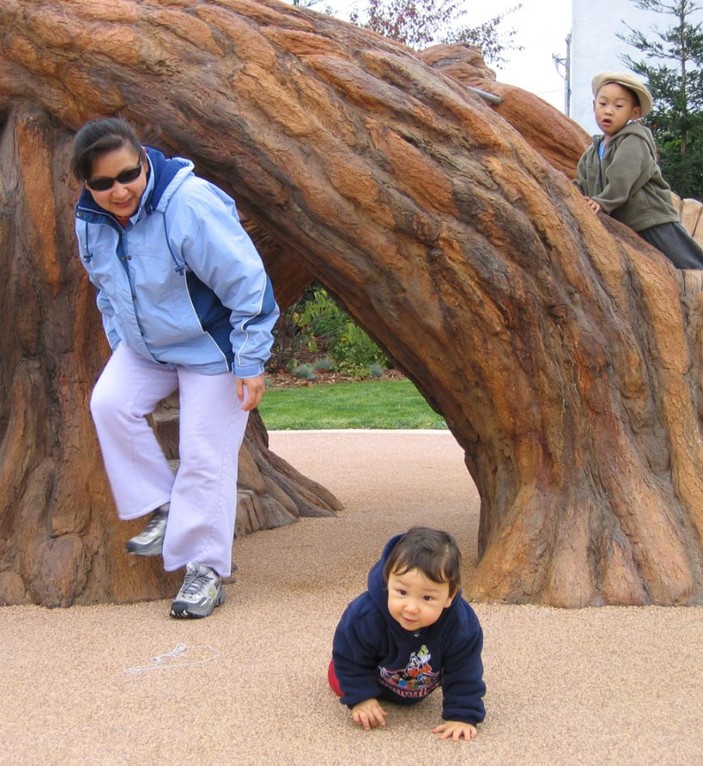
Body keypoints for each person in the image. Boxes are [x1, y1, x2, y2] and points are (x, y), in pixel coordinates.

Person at [71, 117, 279, 619]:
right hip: (149, 348)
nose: (119, 190)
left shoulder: (188, 204)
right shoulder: (90, 221)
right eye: (103, 183)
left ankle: (204, 571)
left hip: (212, 349)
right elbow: (107, 290)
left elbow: (249, 284)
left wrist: (250, 363)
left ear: (143, 160)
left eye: (128, 174)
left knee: (204, 454)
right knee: (109, 404)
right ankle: (164, 508)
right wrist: (125, 345)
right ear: (87, 184)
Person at [329, 527, 486, 740]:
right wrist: (361, 698)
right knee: (340, 675)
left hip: (418, 677)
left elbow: (465, 669)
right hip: (372, 670)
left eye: (427, 598)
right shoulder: (365, 615)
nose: (411, 608)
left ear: (450, 595)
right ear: (387, 582)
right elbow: (349, 656)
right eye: (402, 593)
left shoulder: (461, 624)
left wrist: (462, 715)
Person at [574, 71, 703, 273]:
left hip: (650, 218)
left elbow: (622, 177)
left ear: (633, 113)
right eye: (603, 104)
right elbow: (580, 183)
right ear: (593, 105)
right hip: (623, 223)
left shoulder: (634, 140)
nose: (608, 111)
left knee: (685, 261)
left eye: (618, 106)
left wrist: (602, 201)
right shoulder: (591, 153)